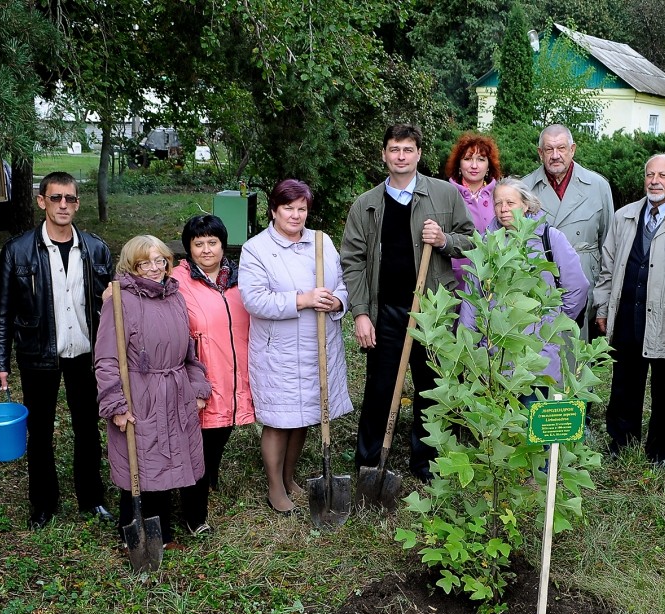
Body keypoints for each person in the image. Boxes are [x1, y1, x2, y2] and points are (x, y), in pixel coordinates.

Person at [341, 123, 474, 482]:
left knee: (431, 386)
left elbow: (471, 238)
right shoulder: (366, 205)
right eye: (394, 150)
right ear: (384, 154)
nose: (401, 156)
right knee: (380, 388)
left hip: (431, 309)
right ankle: (369, 463)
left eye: (408, 150)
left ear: (418, 154)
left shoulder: (445, 195)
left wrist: (445, 239)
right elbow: (352, 260)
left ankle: (428, 463)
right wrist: (361, 313)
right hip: (386, 312)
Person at [0, 171, 114, 530]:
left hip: (85, 354)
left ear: (77, 203)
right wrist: (0, 363)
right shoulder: (17, 250)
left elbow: (111, 305)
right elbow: (2, 312)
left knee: (87, 428)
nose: (64, 205)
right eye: (56, 198)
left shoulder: (95, 248)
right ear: (41, 200)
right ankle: (43, 504)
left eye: (70, 199)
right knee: (41, 432)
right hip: (38, 354)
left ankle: (92, 499)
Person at [240, 179, 352, 514]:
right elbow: (254, 299)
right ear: (274, 210)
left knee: (305, 415)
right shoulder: (256, 249)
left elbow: (342, 283)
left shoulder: (321, 241)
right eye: (288, 207)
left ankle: (290, 478)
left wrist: (336, 303)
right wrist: (301, 299)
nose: (295, 214)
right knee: (279, 419)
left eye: (302, 208)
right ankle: (275, 486)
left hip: (318, 346)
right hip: (281, 351)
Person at [94, 235, 212, 546]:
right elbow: (105, 360)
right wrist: (116, 405)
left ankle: (169, 528)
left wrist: (197, 387)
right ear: (131, 266)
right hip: (140, 395)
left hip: (174, 392)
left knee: (171, 459)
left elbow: (189, 352)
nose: (153, 268)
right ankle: (132, 532)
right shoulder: (119, 301)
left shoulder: (174, 296)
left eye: (159, 261)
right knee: (141, 463)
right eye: (144, 263)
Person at [594, 154, 665, 465]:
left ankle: (659, 452)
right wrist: (603, 309)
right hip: (628, 314)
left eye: (663, 175)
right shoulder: (624, 217)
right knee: (624, 384)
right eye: (650, 175)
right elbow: (607, 269)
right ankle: (620, 444)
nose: (655, 181)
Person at [458, 177, 588, 393]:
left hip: (538, 352)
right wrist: (469, 345)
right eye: (498, 203)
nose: (503, 209)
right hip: (495, 352)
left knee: (535, 416)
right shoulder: (485, 243)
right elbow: (472, 296)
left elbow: (578, 287)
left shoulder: (550, 238)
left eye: (511, 203)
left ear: (526, 205)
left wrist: (552, 323)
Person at [173, 214, 254, 502]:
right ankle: (197, 481)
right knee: (203, 428)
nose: (206, 249)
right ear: (189, 248)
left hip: (236, 365)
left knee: (225, 423)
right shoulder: (177, 280)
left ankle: (210, 474)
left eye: (213, 242)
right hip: (201, 366)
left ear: (223, 245)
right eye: (198, 244)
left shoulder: (239, 277)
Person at [522, 124, 614, 339]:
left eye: (561, 148)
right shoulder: (524, 188)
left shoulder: (598, 186)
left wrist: (603, 299)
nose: (555, 155)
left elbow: (610, 249)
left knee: (577, 363)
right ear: (540, 153)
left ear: (572, 149)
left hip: (584, 289)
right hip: (538, 290)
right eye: (549, 149)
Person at [444, 132, 502, 286]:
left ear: (489, 165)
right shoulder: (445, 195)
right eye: (468, 159)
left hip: (493, 280)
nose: (474, 166)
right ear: (459, 164)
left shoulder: (500, 195)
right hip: (454, 281)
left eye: (481, 159)